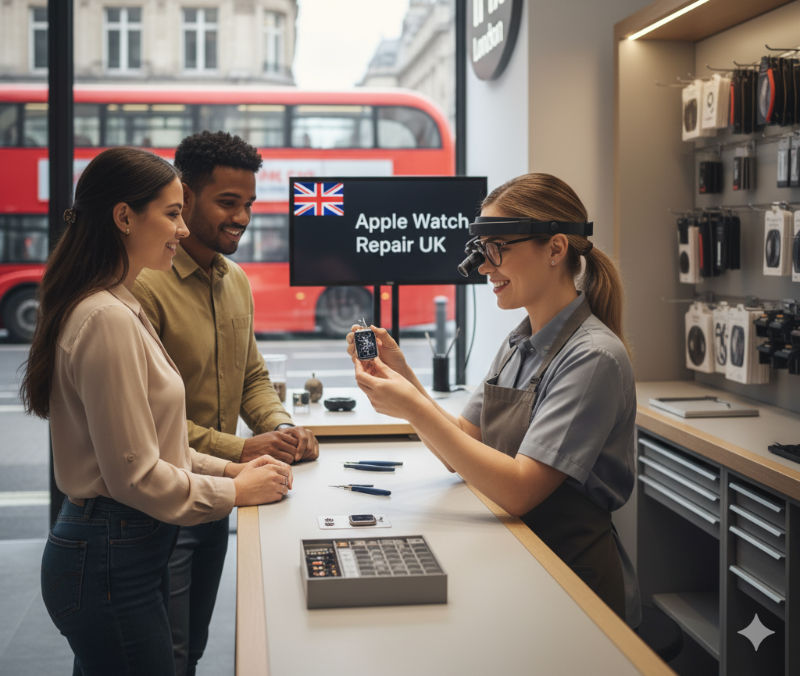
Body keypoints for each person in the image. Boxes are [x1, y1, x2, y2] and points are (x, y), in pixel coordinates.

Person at [22, 147, 293, 676]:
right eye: (171, 214)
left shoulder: (118, 304)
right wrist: (235, 488)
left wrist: (232, 468)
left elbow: (153, 440)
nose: (182, 229)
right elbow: (135, 475)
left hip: (119, 549)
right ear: (124, 217)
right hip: (111, 553)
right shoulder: (107, 316)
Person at [347, 173, 641, 627]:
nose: (485, 268)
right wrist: (405, 378)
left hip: (570, 578)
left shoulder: (594, 358)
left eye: (497, 249)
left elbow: (521, 490)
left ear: (556, 249)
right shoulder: (520, 341)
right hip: (519, 553)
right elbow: (463, 445)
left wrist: (411, 406)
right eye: (482, 252)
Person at [131, 130, 319, 676]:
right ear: (185, 198)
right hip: (159, 505)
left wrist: (281, 427)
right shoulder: (145, 286)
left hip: (219, 495)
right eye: (228, 203)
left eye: (249, 204)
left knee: (189, 649)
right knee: (158, 657)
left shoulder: (234, 279)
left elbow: (252, 376)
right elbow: (147, 420)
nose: (243, 217)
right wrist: (244, 446)